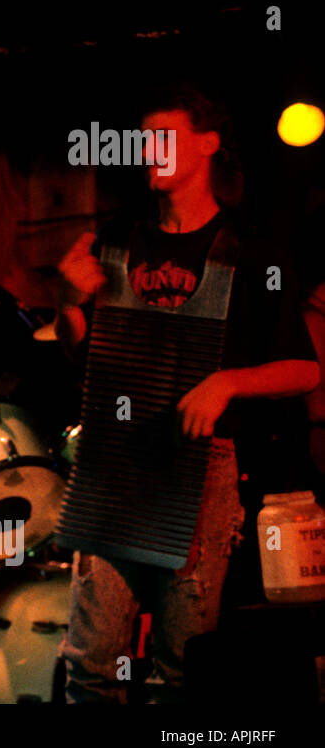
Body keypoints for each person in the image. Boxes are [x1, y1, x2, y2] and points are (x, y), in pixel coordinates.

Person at [54, 84, 319, 703]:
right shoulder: (118, 238)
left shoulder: (250, 250)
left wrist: (227, 381)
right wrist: (68, 299)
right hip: (115, 464)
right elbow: (82, 352)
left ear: (208, 144)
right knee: (91, 668)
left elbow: (305, 370)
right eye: (142, 138)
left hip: (202, 472)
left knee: (185, 671)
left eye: (163, 137)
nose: (148, 150)